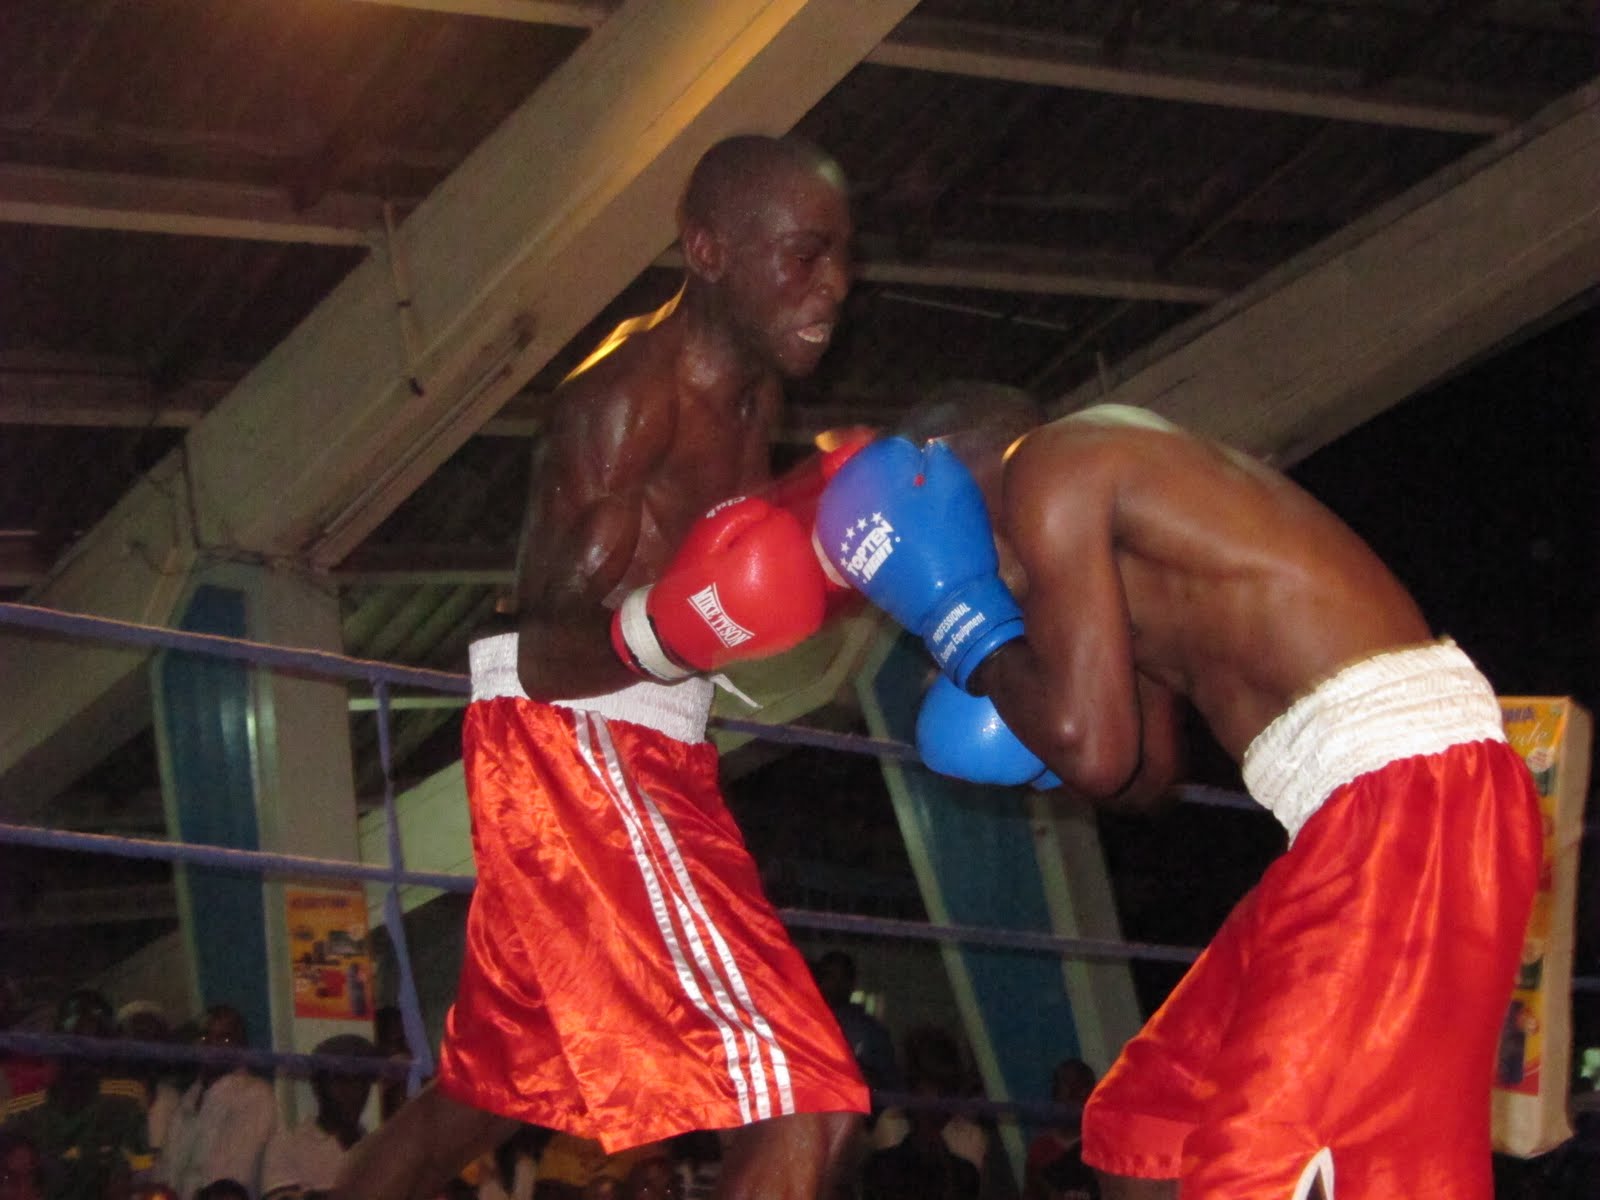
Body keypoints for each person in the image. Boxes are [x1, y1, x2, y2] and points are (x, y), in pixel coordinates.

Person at [815, 401, 1543, 1198]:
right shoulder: (1098, 568)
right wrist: (1031, 733)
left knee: (1268, 1159)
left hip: (1413, 793)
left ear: (947, 474)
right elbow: (1144, 775)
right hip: (1350, 817)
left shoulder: (1053, 466)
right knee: (1146, 1121)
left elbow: (1095, 748)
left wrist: (963, 624)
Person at [332, 134, 868, 1200]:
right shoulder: (623, 403)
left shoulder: (755, 397)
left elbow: (730, 593)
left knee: (483, 1096)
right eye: (806, 255)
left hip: (649, 739)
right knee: (806, 1104)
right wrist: (673, 628)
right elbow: (541, 648)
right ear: (708, 250)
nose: (836, 286)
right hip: (580, 739)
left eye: (843, 256)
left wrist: (831, 531)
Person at [155, 1005, 278, 1200]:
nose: (212, 1046)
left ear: (242, 1047)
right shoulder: (189, 1098)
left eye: (225, 1039)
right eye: (205, 1037)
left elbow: (235, 1176)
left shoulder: (255, 1094)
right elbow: (166, 1170)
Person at [260, 1035, 379, 1199]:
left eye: (361, 1080)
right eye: (341, 1080)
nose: (354, 1091)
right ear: (318, 1086)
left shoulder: (378, 1147)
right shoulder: (288, 1146)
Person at [1023, 1060, 1098, 1200]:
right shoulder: (1040, 1150)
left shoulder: (1107, 1145)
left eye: (1081, 1086)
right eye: (1067, 1085)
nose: (1074, 1094)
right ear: (1055, 1093)